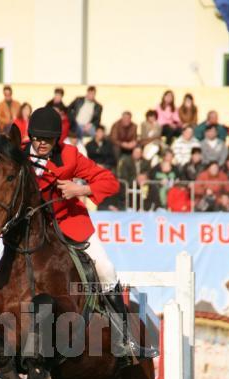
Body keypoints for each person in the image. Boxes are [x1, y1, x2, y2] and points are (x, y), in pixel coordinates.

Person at [24, 106, 152, 363]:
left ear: (56, 139)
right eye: (37, 138)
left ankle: (124, 337)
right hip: (33, 233)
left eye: (47, 140)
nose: (40, 144)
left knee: (105, 268)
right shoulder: (19, 157)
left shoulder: (70, 156)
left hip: (71, 223)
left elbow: (110, 182)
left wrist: (79, 189)